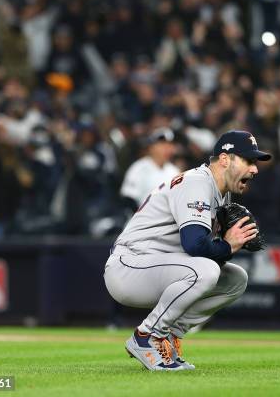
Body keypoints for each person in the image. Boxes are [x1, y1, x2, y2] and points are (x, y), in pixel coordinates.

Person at [103, 130, 271, 371]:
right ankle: (147, 336)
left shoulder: (221, 192)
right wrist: (227, 245)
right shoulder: (197, 182)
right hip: (130, 266)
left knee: (235, 279)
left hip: (157, 265)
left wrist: (225, 246)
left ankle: (170, 337)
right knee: (206, 270)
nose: (254, 169)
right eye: (248, 160)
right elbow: (194, 245)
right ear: (225, 159)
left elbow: (199, 251)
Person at [119, 127, 180, 212]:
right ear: (151, 147)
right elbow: (128, 199)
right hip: (141, 220)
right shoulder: (139, 168)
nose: (167, 148)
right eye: (162, 144)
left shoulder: (174, 171)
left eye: (170, 145)